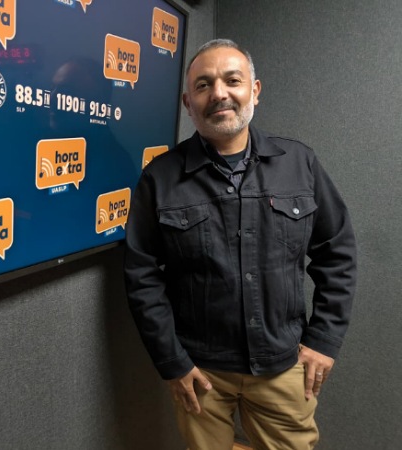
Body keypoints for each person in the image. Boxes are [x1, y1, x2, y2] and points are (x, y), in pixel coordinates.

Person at [123, 39, 357, 450]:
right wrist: (171, 361)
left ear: (255, 90)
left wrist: (324, 340)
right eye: (203, 85)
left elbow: (337, 254)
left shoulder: (299, 164)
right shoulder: (159, 178)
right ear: (188, 102)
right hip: (200, 371)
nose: (219, 93)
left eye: (232, 80)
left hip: (283, 365)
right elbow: (142, 276)